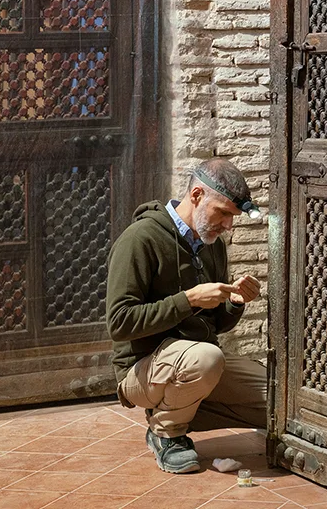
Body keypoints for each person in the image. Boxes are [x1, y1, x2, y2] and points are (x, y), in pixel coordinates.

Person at [106, 157, 267, 474]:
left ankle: (188, 406)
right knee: (206, 359)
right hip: (140, 370)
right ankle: (166, 432)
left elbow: (217, 324)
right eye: (223, 213)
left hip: (195, 362)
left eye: (233, 218)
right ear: (196, 196)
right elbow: (119, 323)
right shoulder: (140, 239)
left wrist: (234, 302)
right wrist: (187, 300)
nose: (228, 226)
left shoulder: (212, 245)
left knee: (278, 400)